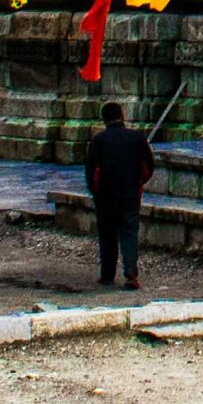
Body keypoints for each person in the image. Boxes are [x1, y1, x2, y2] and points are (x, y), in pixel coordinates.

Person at [84, 99, 155, 290]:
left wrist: (96, 192)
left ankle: (107, 274)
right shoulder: (137, 138)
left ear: (104, 119)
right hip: (130, 193)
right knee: (129, 232)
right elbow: (149, 166)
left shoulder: (98, 141)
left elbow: (91, 173)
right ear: (122, 116)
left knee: (107, 234)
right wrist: (139, 183)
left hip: (105, 196)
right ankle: (131, 271)